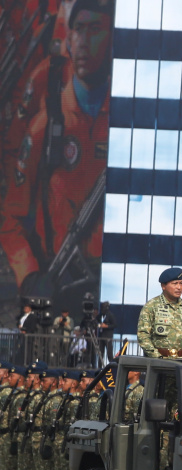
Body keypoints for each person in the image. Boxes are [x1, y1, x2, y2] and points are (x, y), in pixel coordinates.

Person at [0, 0, 112, 295]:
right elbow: (11, 211)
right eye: (79, 30)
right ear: (69, 41)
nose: (85, 41)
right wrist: (30, 277)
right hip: (54, 273)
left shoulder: (126, 119)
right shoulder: (48, 118)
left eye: (96, 30)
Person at [136, 267, 182, 359]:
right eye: (175, 284)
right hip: (159, 361)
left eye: (181, 283)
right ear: (163, 286)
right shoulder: (152, 306)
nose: (179, 287)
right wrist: (157, 357)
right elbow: (143, 336)